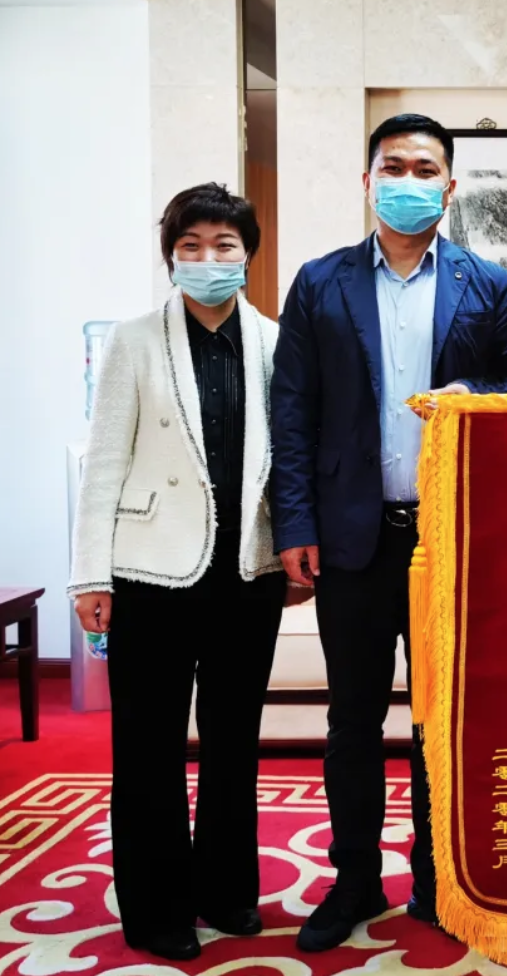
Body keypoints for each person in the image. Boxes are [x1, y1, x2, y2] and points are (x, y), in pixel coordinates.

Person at [270, 113, 507, 952]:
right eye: (394, 167)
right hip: (350, 540)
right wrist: (295, 523)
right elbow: (293, 413)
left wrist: (473, 397)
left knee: (439, 719)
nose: (409, 181)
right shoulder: (320, 283)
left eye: (426, 169)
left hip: (448, 540)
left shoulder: (486, 284)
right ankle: (353, 879)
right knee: (352, 721)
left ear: (449, 188)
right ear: (368, 181)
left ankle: (436, 877)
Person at [68, 183, 286, 961]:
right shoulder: (134, 341)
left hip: (246, 572)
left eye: (223, 245)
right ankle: (156, 908)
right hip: (149, 573)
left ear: (248, 254)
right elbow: (104, 463)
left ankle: (226, 892)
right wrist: (89, 575)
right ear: (171, 256)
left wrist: (294, 548)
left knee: (233, 743)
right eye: (190, 246)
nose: (207, 258)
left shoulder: (274, 341)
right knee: (149, 746)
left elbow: (287, 460)